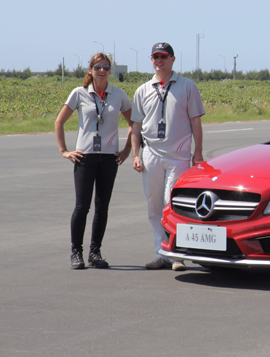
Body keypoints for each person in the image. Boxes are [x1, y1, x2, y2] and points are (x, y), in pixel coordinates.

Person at [131, 42, 205, 271]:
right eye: (156, 57)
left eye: (164, 56)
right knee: (154, 207)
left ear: (172, 59)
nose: (159, 60)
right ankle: (161, 253)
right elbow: (136, 126)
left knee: (171, 204)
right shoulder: (143, 90)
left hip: (178, 156)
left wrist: (198, 152)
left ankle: (177, 255)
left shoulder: (187, 86)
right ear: (151, 60)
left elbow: (195, 121)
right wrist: (135, 154)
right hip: (151, 154)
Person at [55, 53, 133, 269]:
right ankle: (76, 252)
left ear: (110, 70)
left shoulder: (118, 95)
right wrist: (64, 151)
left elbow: (134, 123)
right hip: (85, 157)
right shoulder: (79, 93)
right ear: (90, 70)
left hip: (109, 158)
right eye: (98, 67)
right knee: (82, 207)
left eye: (106, 67)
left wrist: (127, 150)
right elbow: (59, 122)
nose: (102, 71)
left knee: (102, 207)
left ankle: (95, 252)